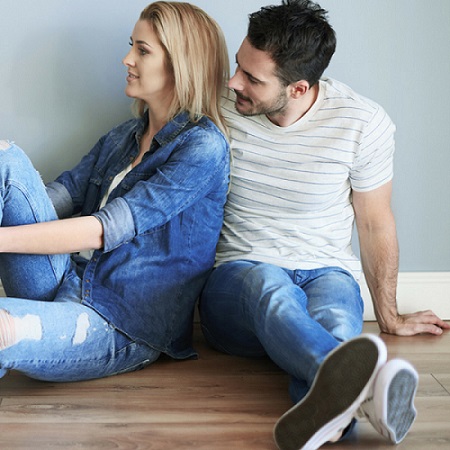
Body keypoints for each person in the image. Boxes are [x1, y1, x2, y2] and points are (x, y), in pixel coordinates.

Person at [198, 1, 450, 449]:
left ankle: (333, 420)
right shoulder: (217, 108)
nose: (234, 81)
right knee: (267, 286)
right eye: (239, 65)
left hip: (326, 271)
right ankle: (372, 389)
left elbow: (374, 223)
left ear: (298, 88)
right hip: (237, 279)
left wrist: (388, 317)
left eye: (252, 79)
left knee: (335, 321)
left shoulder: (362, 122)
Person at [0, 1, 230, 383]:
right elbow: (61, 195)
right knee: (6, 158)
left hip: (123, 320)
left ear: (180, 64)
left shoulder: (203, 148)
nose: (127, 59)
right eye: (131, 46)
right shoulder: (124, 136)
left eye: (142, 50)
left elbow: (103, 229)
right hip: (67, 280)